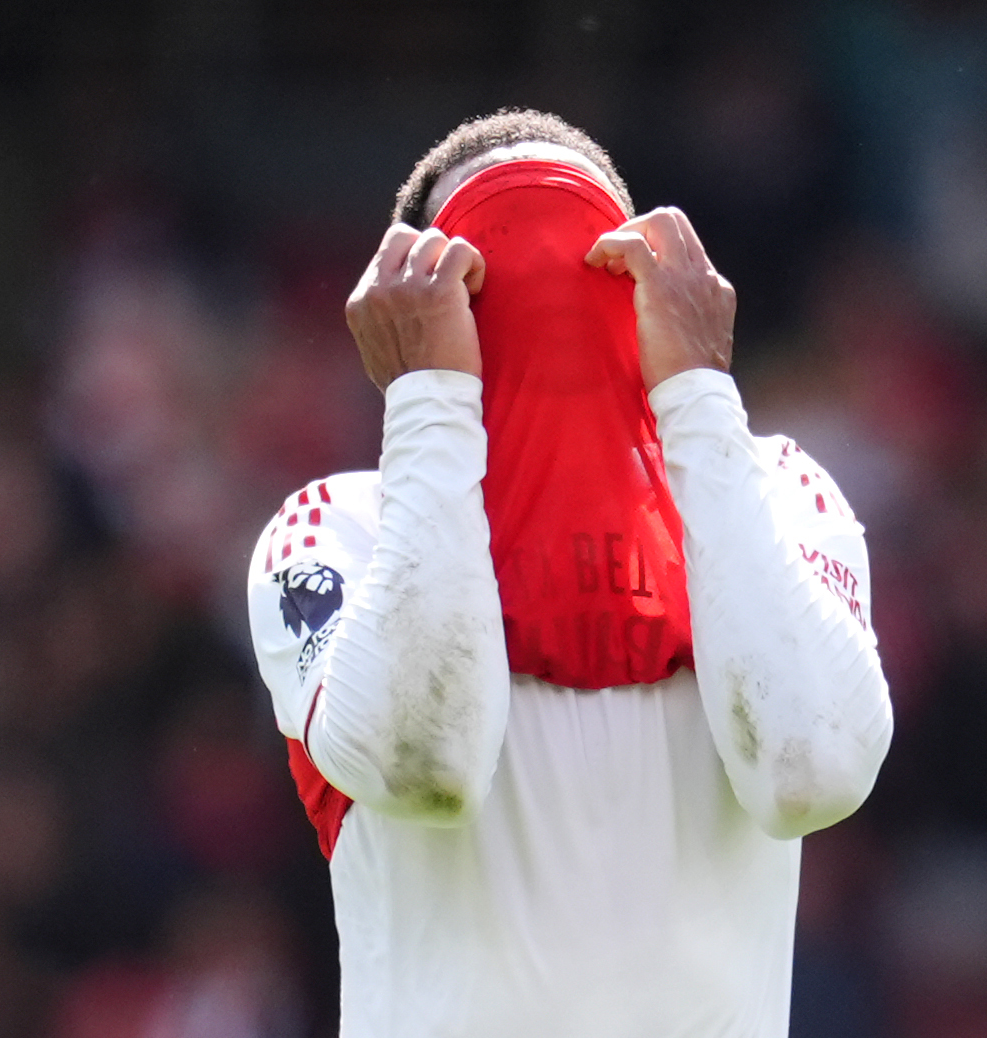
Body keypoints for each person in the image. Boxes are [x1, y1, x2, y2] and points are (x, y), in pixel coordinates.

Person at [247, 109, 892, 1038]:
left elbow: (812, 769)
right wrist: (428, 402)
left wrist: (699, 397)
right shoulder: (332, 529)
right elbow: (423, 762)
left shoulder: (775, 493)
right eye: (493, 276)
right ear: (419, 303)